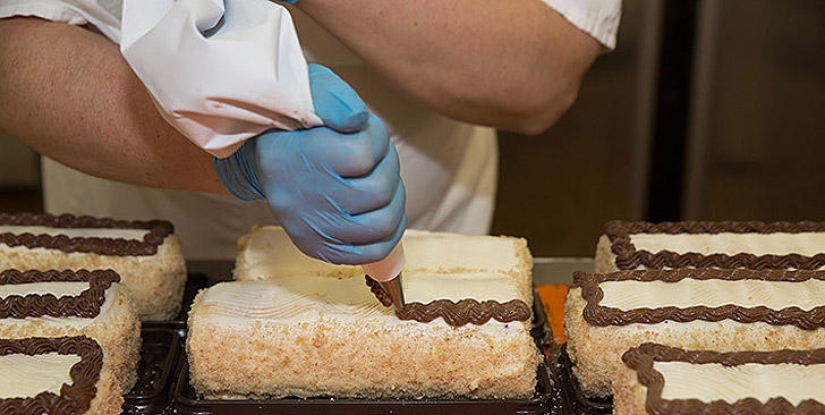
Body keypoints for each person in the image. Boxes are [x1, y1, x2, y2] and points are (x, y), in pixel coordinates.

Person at [0, 0, 620, 262]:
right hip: (128, 247)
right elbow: (13, 52)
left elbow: (542, 71)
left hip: (426, 246)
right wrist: (231, 159)